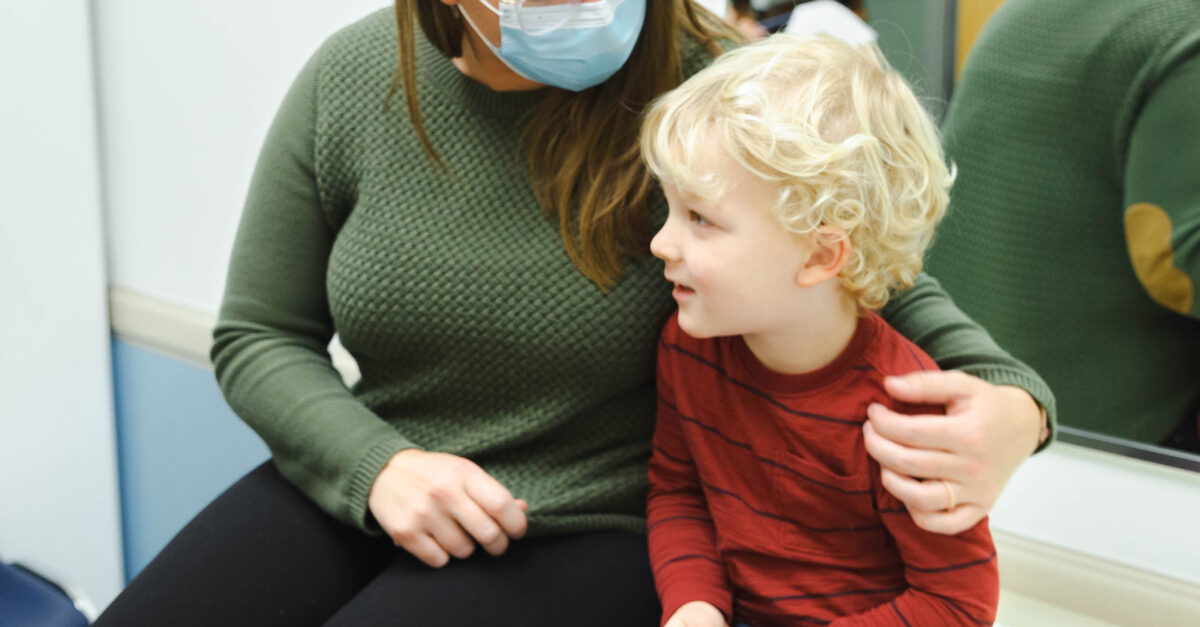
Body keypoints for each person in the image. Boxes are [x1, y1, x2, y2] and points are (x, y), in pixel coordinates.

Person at [95, 1, 1051, 625]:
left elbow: (864, 267)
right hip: (370, 477)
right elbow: (259, 335)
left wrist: (1020, 406)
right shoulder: (351, 80)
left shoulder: (713, 88)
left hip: (594, 521)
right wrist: (374, 467)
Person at [642, 35, 997, 627]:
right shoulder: (689, 348)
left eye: (699, 218)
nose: (661, 242)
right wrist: (693, 606)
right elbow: (680, 494)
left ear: (819, 256)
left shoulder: (906, 411)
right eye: (671, 210)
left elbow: (957, 605)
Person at [924, 0, 1200, 453]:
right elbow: (1177, 266)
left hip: (962, 381)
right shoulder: (1184, 30)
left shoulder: (1025, 8)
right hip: (1098, 427)